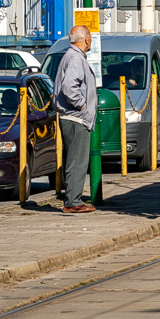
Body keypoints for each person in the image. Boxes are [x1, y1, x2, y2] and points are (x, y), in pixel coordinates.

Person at [53, 25, 98, 214]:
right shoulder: (75, 58)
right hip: (76, 118)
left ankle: (72, 199)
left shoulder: (71, 56)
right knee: (77, 160)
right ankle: (73, 201)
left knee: (74, 159)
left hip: (73, 117)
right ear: (86, 39)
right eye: (90, 38)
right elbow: (70, 87)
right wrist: (82, 106)